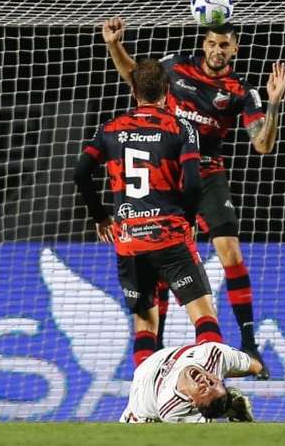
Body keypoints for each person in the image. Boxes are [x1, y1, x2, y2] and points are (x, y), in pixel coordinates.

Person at [102, 17, 285, 380]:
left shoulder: (241, 90)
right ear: (204, 44)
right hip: (167, 173)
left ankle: (249, 345)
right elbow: (135, 77)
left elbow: (263, 145)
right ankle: (151, 356)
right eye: (212, 43)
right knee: (158, 257)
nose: (217, 50)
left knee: (230, 251)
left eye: (225, 45)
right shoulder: (175, 66)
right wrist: (114, 45)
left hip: (206, 174)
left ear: (235, 49)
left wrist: (273, 104)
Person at [73, 58, 223, 367]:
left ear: (134, 92)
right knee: (205, 318)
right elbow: (194, 184)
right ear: (168, 92)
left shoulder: (110, 129)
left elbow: (80, 173)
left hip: (129, 241)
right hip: (169, 235)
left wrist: (101, 216)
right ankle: (212, 397)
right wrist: (191, 219)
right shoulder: (180, 127)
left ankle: (143, 406)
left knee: (145, 327)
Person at [120, 341, 262, 423]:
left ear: (192, 401)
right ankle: (230, 407)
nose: (204, 382)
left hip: (141, 409)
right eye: (212, 383)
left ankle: (231, 410)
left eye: (203, 389)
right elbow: (255, 366)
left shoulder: (171, 408)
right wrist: (258, 369)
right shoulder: (214, 354)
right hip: (154, 361)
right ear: (218, 378)